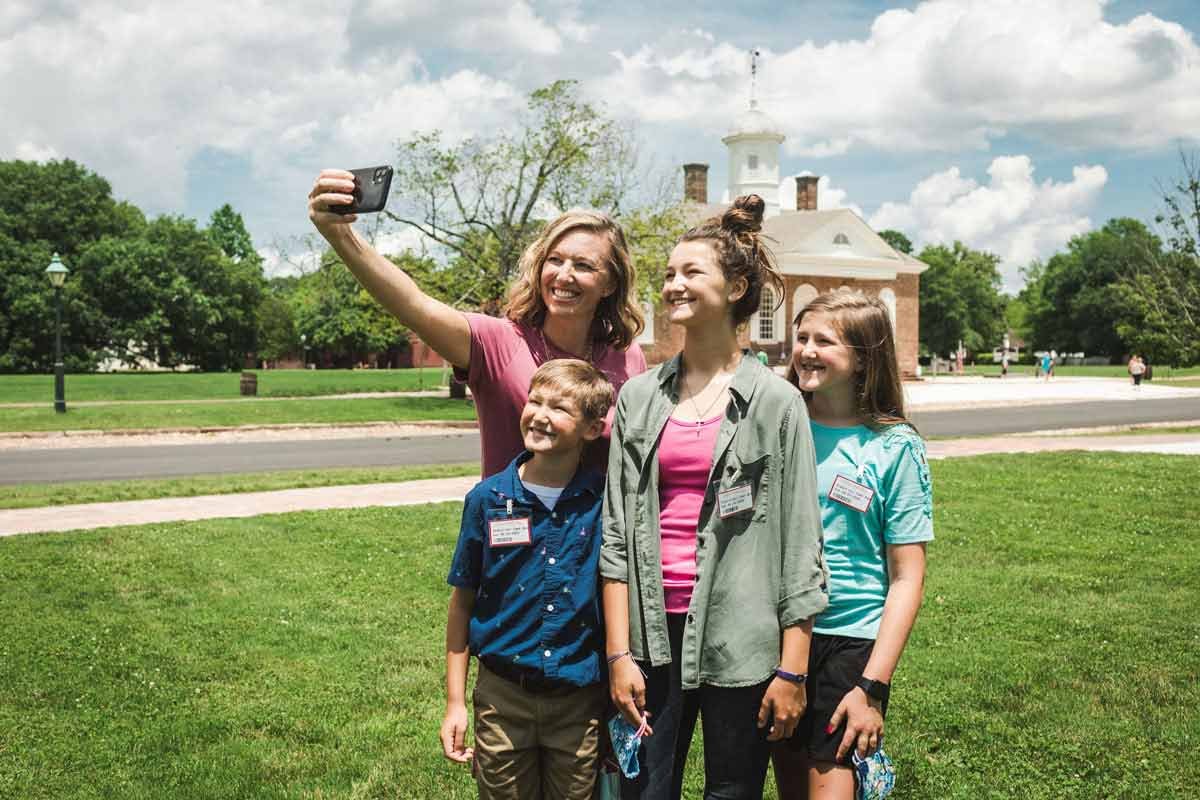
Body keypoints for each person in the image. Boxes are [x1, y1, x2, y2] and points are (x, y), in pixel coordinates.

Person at [601, 195, 828, 800]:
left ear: (736, 288)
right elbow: (617, 536)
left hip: (743, 637)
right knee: (645, 792)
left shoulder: (777, 404)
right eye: (669, 274)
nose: (673, 285)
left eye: (690, 273)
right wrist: (619, 653)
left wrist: (792, 666)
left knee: (732, 792)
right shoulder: (639, 398)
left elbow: (802, 543)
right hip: (651, 636)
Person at [309, 169, 647, 477]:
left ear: (610, 283)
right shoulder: (497, 343)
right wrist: (340, 235)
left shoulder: (627, 356)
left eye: (584, 266)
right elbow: (413, 304)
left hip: (603, 542)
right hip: (516, 539)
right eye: (554, 260)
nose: (564, 275)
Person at [774, 290, 934, 800]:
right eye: (802, 338)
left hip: (851, 642)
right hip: (777, 634)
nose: (807, 350)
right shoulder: (781, 426)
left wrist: (873, 685)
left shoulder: (894, 447)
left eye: (825, 341)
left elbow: (907, 577)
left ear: (865, 357)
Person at [441, 359, 615, 799]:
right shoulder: (488, 500)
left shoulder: (602, 503)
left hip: (578, 701)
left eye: (558, 407)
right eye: (534, 400)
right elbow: (462, 602)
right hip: (502, 699)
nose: (539, 414)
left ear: (592, 429)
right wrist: (456, 703)